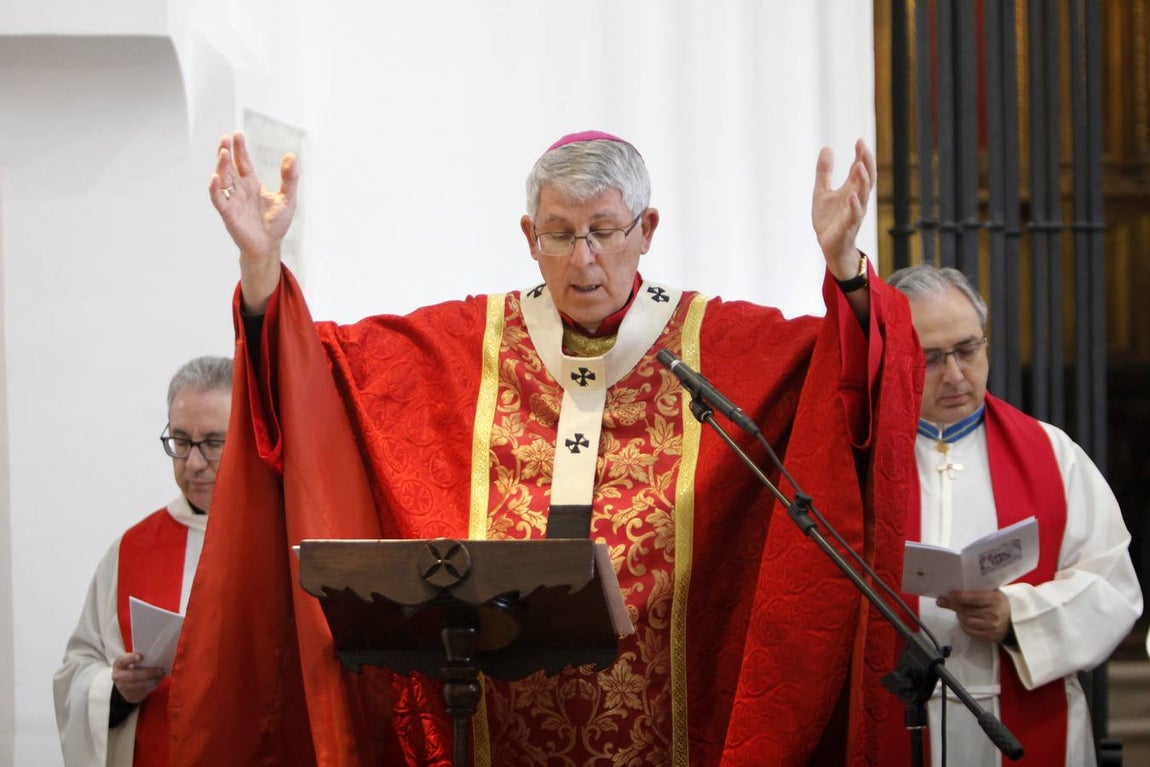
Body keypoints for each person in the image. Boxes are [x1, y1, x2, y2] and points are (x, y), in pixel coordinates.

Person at [167, 130, 922, 766]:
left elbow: (845, 392)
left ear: (647, 230)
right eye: (559, 235)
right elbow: (311, 376)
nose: (582, 259)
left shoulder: (718, 348)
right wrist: (261, 267)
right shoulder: (465, 345)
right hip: (490, 720)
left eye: (604, 231)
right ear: (530, 238)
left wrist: (846, 271)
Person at [885, 264, 1142, 766]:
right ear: (895, 356)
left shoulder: (1053, 454)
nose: (955, 374)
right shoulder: (864, 461)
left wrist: (1018, 616)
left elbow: (1114, 586)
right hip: (899, 719)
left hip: (1026, 720)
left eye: (967, 349)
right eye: (930, 358)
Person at [52, 355, 233, 767]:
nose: (194, 463)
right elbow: (76, 672)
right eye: (181, 441)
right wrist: (115, 690)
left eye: (213, 443)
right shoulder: (130, 551)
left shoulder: (282, 540)